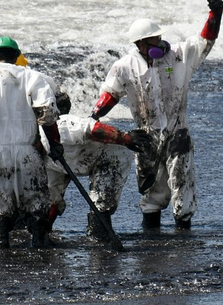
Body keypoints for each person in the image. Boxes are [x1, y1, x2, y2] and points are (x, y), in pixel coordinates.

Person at [90, 0, 223, 230]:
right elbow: (110, 94)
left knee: (182, 183)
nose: (159, 42)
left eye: (159, 36)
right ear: (140, 44)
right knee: (152, 190)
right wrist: (93, 117)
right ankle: (151, 237)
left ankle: (183, 235)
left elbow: (205, 41)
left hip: (178, 131)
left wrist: (215, 14)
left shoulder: (179, 56)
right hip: (147, 135)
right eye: (153, 39)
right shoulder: (125, 67)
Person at [0, 36, 63, 248]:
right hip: (29, 153)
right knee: (35, 204)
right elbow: (48, 113)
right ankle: (39, 246)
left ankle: (2, 248)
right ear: (17, 56)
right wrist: (54, 143)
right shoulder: (34, 77)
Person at [35, 86, 146, 244]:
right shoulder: (39, 148)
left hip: (109, 155)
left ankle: (100, 235)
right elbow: (51, 197)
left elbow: (93, 128)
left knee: (101, 200)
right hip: (70, 160)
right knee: (48, 198)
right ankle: (44, 235)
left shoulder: (62, 126)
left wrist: (126, 138)